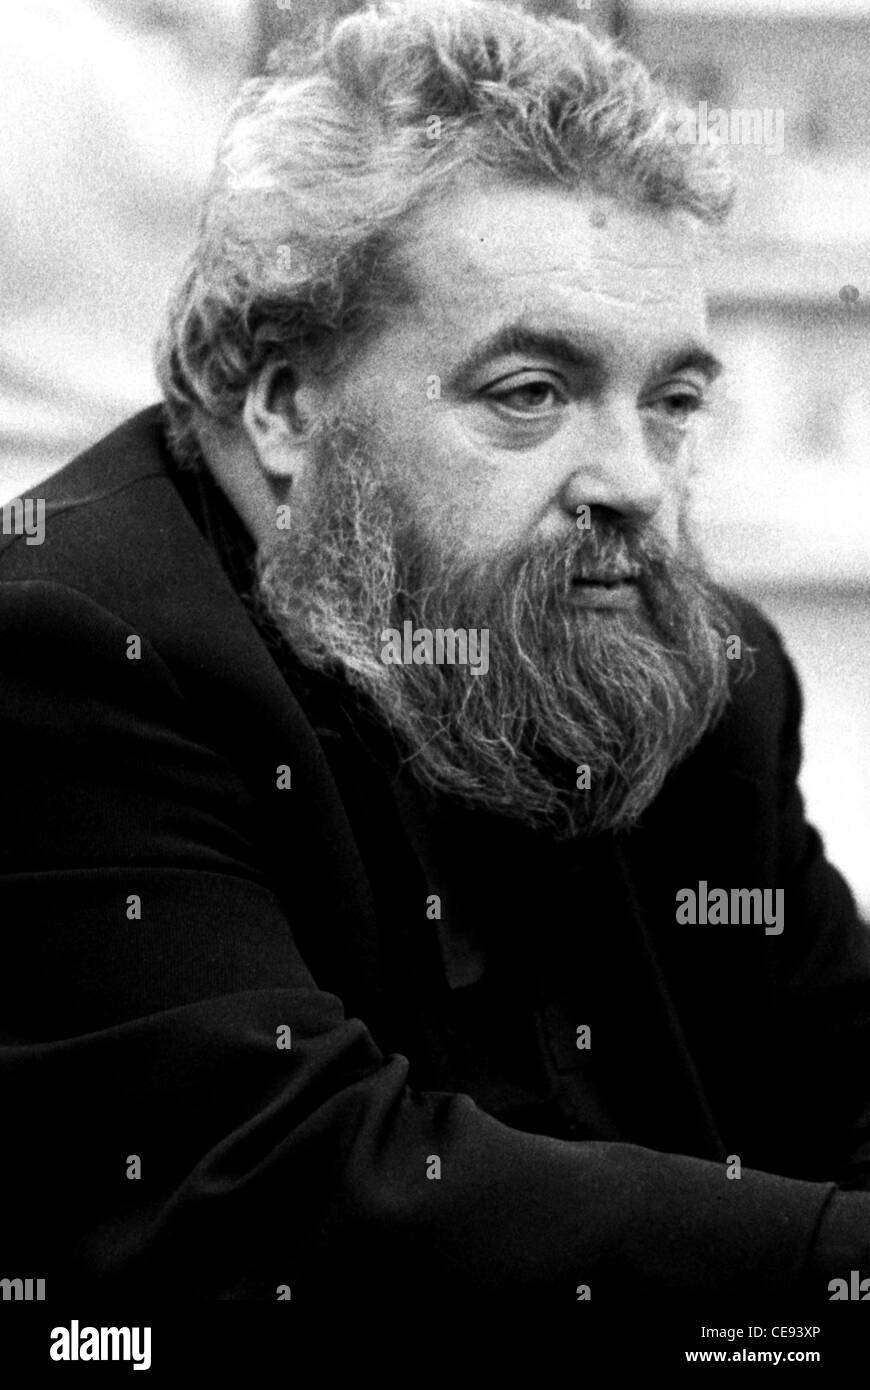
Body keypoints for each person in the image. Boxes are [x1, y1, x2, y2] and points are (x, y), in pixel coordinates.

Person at [2, 0, 868, 1314]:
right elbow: (297, 1194)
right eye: (528, 393)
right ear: (287, 403)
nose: (635, 481)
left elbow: (839, 1074)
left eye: (670, 401)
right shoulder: (64, 653)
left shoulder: (691, 669)